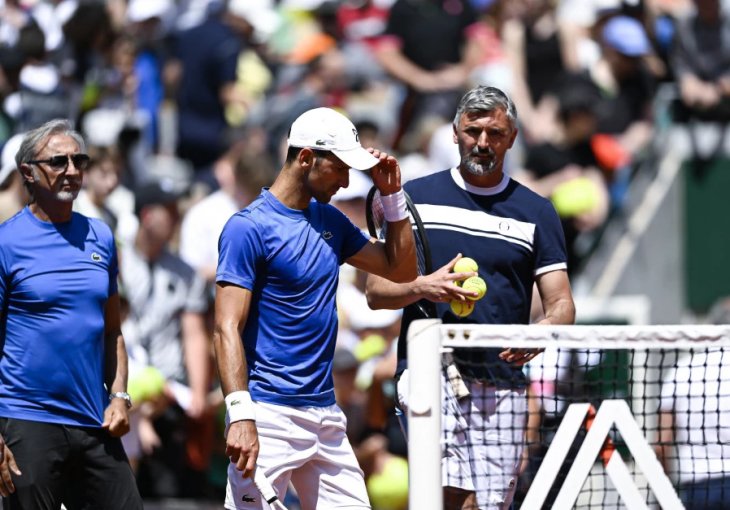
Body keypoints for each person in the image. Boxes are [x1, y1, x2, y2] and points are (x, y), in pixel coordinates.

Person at [365, 86, 576, 510]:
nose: (482, 143)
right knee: (452, 498)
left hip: (503, 382)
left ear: (512, 137)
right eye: (473, 131)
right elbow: (377, 292)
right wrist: (425, 286)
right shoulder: (414, 199)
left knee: (489, 505)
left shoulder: (536, 212)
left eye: (495, 133)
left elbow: (562, 304)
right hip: (428, 372)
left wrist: (543, 332)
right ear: (455, 133)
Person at [213, 106, 417, 509]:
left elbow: (400, 268)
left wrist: (392, 197)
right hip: (267, 417)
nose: (345, 182)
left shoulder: (331, 220)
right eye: (339, 169)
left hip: (326, 417)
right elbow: (225, 328)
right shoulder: (247, 228)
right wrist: (240, 414)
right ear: (306, 158)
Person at [0, 119, 142, 508]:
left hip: (92, 417)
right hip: (27, 420)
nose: (73, 171)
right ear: (27, 172)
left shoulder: (101, 236)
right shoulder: (6, 242)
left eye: (79, 160)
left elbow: (112, 331)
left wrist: (119, 398)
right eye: (58, 161)